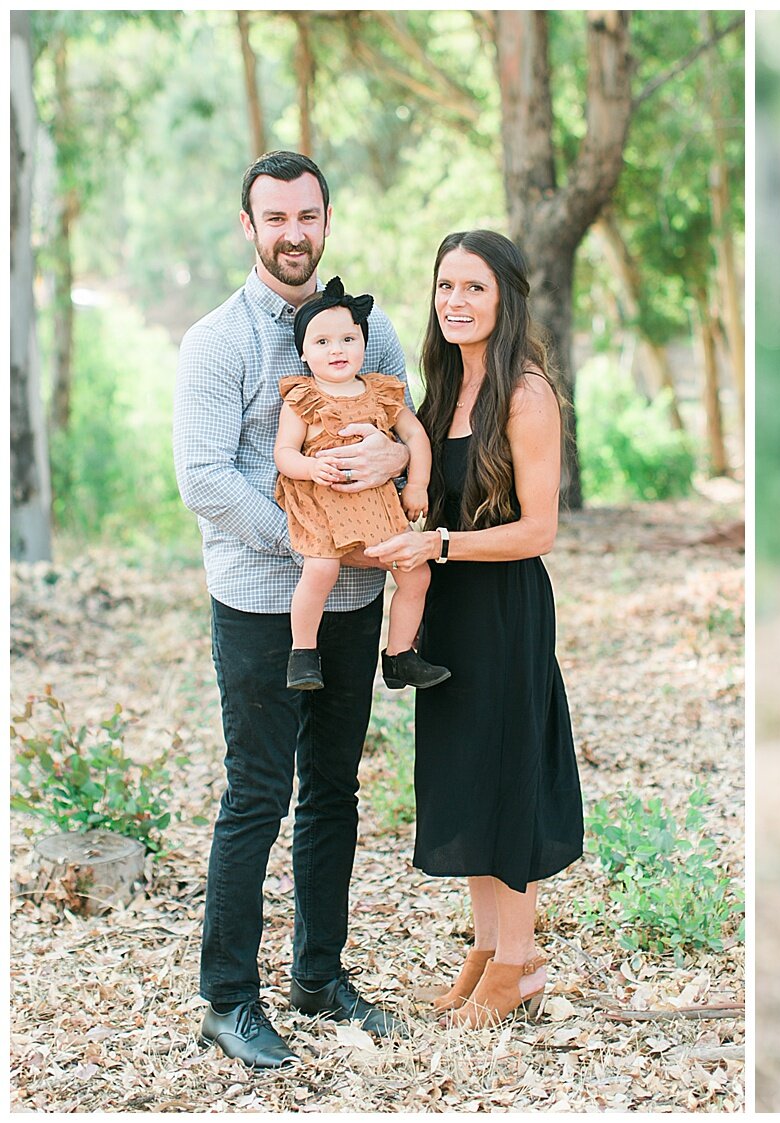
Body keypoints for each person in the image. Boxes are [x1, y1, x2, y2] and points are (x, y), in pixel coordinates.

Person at [173, 151, 409, 1069]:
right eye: (275, 218)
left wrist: (392, 468)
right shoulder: (219, 340)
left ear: (326, 217)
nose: (293, 233)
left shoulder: (367, 331)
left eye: (306, 215)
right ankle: (227, 997)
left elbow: (400, 426)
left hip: (356, 597)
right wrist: (311, 535)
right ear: (249, 227)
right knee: (257, 796)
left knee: (336, 793)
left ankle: (318, 973)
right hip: (263, 599)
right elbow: (204, 478)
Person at [367, 229, 583, 1028]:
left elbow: (539, 531)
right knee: (464, 775)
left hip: (503, 606)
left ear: (506, 298)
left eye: (474, 288)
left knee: (505, 774)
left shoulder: (525, 394)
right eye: (445, 285)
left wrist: (442, 543)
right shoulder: (440, 387)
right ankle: (489, 950)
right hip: (450, 606)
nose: (455, 302)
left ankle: (521, 960)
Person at [275, 277, 449, 693]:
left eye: (348, 339)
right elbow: (284, 453)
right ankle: (302, 654)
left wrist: (417, 486)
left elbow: (416, 437)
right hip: (321, 501)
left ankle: (399, 655)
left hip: (376, 506)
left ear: (363, 344)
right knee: (321, 569)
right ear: (303, 351)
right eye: (322, 342)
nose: (337, 350)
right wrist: (310, 468)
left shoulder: (382, 393)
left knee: (416, 574)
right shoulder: (303, 397)